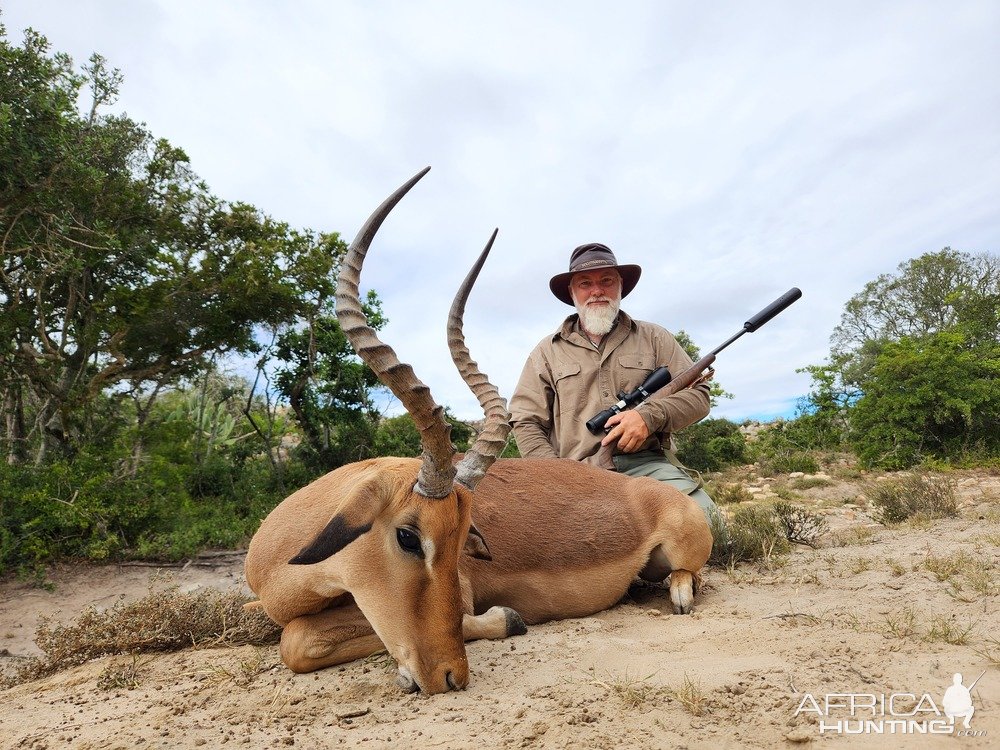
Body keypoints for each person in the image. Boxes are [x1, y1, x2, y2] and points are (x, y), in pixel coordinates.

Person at [509, 242, 717, 517]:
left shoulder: (655, 337)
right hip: (575, 474)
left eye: (606, 280)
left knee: (707, 523)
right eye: (585, 283)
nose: (597, 291)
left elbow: (699, 396)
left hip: (647, 464)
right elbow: (525, 421)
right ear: (572, 292)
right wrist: (553, 476)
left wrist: (648, 417)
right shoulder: (546, 352)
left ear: (620, 286)